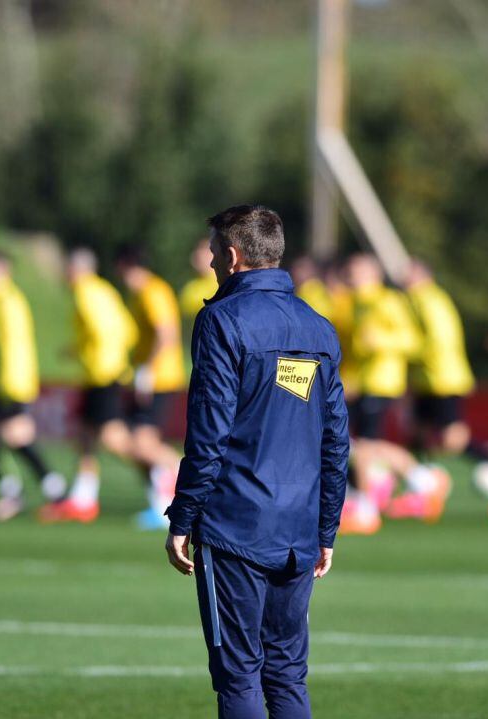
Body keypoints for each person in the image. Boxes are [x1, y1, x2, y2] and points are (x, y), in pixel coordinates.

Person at [164, 204, 349, 719]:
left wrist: (183, 518)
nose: (210, 264)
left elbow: (209, 432)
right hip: (298, 531)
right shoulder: (318, 328)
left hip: (236, 527)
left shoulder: (221, 320)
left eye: (213, 253)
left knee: (239, 676)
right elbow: (335, 440)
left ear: (232, 254)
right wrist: (325, 530)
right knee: (287, 674)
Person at [341, 254, 445, 533]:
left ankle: (367, 509)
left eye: (357, 271)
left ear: (372, 274)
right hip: (362, 383)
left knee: (363, 446)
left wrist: (381, 341)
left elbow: (412, 341)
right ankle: (424, 480)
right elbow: (354, 351)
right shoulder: (355, 303)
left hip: (383, 382)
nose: (351, 275)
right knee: (358, 444)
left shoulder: (387, 301)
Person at [0, 250, 64, 522]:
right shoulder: (0, 299)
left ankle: (38, 492)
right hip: (5, 380)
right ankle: (41, 489)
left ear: (1, 270)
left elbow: (10, 346)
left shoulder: (5, 300)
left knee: (10, 435)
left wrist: (8, 382)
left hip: (11, 382)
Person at [43, 248, 137, 523]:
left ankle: (164, 471)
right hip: (104, 371)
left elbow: (99, 330)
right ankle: (84, 498)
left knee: (112, 439)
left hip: (102, 373)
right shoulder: (105, 289)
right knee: (83, 435)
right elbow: (128, 330)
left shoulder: (84, 292)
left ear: (75, 269)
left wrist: (89, 353)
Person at [400, 259, 488, 485]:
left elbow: (439, 340)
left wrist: (403, 346)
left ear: (424, 276)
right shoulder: (414, 300)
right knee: (418, 432)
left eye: (410, 273)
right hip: (425, 379)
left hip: (443, 378)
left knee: (451, 439)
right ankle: (421, 483)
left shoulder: (432, 300)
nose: (404, 278)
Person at [114, 245, 187, 530]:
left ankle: (188, 472)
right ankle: (160, 503)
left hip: (161, 379)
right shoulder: (140, 294)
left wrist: (147, 371)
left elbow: (165, 334)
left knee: (142, 445)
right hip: (149, 378)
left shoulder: (153, 291)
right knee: (136, 445)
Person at [178, 237, 220, 324]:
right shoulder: (190, 287)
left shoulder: (222, 283)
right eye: (197, 250)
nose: (198, 255)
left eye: (204, 250)